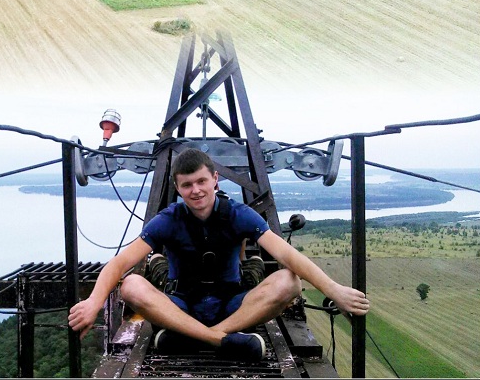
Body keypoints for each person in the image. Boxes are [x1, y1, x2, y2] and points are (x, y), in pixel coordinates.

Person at [68, 148, 371, 363]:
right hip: (182, 305)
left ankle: (198, 336)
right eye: (187, 185)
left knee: (289, 282)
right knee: (132, 285)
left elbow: (287, 254)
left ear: (215, 179)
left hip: (231, 307)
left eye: (201, 181)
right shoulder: (169, 219)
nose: (196, 190)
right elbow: (120, 263)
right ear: (178, 188)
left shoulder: (238, 214)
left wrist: (334, 290)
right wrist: (93, 302)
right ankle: (221, 340)